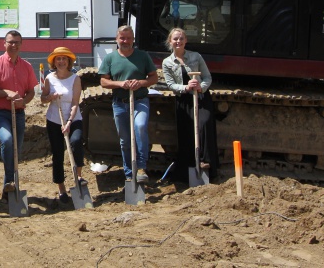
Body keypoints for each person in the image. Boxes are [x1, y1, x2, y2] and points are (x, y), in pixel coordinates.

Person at [99, 25, 158, 183]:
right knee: (125, 140)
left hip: (140, 101)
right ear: (117, 39)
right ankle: (128, 173)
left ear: (133, 40)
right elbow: (103, 81)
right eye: (122, 38)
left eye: (128, 38)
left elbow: (154, 78)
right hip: (119, 103)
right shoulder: (110, 58)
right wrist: (121, 84)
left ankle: (141, 167)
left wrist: (140, 82)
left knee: (140, 127)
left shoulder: (142, 56)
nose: (125, 41)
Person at [0, 30, 36, 198]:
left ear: (21, 44)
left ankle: (9, 187)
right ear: (4, 43)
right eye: (10, 42)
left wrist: (24, 101)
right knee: (7, 140)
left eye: (17, 42)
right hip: (0, 113)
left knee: (16, 150)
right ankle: (9, 182)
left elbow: (31, 92)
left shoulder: (26, 66)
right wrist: (6, 92)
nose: (13, 45)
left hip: (19, 113)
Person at [162, 27, 219, 181]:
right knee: (186, 130)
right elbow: (171, 84)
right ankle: (188, 167)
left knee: (204, 123)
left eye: (181, 38)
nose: (178, 41)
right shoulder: (167, 62)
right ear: (170, 41)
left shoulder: (196, 57)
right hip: (184, 99)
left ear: (185, 40)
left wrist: (201, 87)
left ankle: (205, 162)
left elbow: (207, 77)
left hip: (200, 96)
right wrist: (186, 87)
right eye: (175, 39)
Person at [40, 46, 85, 204]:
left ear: (69, 61)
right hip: (54, 120)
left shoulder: (75, 78)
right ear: (54, 62)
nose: (61, 61)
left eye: (64, 58)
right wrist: (51, 96)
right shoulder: (49, 78)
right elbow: (43, 99)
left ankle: (79, 177)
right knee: (57, 154)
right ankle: (61, 189)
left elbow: (75, 103)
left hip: (73, 118)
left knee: (76, 141)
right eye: (58, 59)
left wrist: (69, 122)